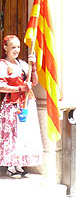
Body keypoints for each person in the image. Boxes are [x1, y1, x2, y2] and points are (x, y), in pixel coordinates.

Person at [0, 34, 41, 177]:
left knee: (23, 134)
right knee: (12, 134)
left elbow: (34, 82)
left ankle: (19, 164)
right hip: (12, 104)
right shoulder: (3, 65)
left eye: (18, 47)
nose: (16, 50)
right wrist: (19, 89)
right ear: (5, 48)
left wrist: (34, 65)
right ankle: (11, 166)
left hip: (25, 103)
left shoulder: (23, 64)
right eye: (13, 47)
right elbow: (1, 86)